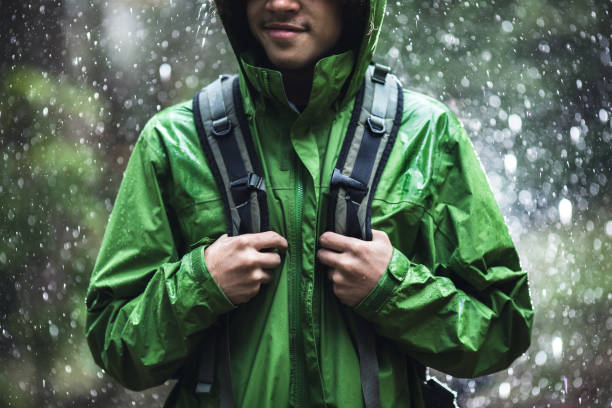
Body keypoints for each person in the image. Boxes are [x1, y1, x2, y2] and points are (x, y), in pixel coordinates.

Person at [85, 0, 534, 407]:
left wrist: (392, 290)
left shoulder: (424, 133)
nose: (280, 3)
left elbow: (502, 326)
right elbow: (114, 342)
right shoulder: (174, 142)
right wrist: (201, 284)